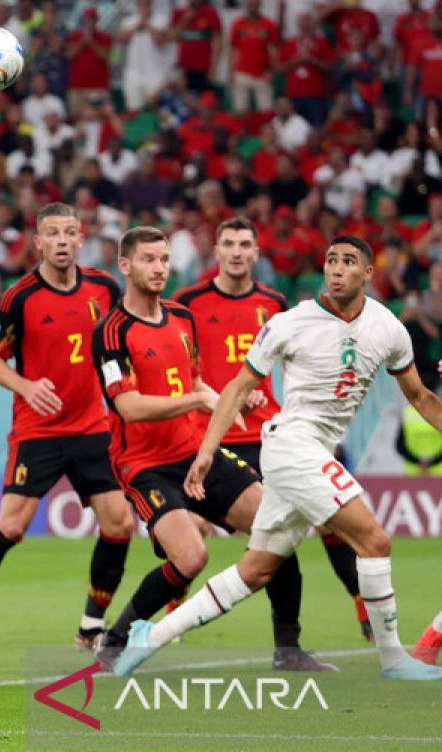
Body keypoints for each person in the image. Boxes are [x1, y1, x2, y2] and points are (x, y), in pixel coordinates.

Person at [115, 236, 442, 682]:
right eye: (331, 260)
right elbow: (236, 387)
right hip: (291, 446)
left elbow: (421, 397)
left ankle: (148, 638)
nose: (337, 268)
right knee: (374, 539)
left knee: (257, 569)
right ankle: (393, 659)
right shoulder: (289, 323)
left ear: (368, 273)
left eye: (349, 261)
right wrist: (207, 450)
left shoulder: (388, 328)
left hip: (314, 451)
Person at [90, 227, 330, 673]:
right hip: (144, 466)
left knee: (275, 528)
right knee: (191, 558)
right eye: (148, 259)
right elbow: (128, 406)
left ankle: (289, 648)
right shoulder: (110, 331)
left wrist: (226, 398)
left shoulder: (181, 316)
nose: (159, 267)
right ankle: (116, 639)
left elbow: (196, 379)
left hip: (196, 451)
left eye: (164, 259)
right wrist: (202, 401)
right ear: (125, 266)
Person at [0, 203, 136, 656]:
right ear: (38, 242)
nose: (62, 241)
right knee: (11, 525)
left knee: (119, 523)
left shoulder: (104, 287)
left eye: (70, 233)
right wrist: (25, 385)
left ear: (81, 239)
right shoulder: (19, 296)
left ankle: (91, 628)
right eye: (53, 234)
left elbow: (124, 341)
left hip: (92, 429)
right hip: (38, 431)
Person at [174, 217, 369, 641]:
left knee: (329, 517)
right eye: (229, 244)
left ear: (257, 253)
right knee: (190, 529)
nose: (238, 251)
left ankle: (360, 601)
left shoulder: (275, 302)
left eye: (246, 244)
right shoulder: (188, 301)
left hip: (269, 435)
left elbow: (299, 366)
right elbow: (179, 366)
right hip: (213, 436)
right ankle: (173, 613)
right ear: (218, 251)